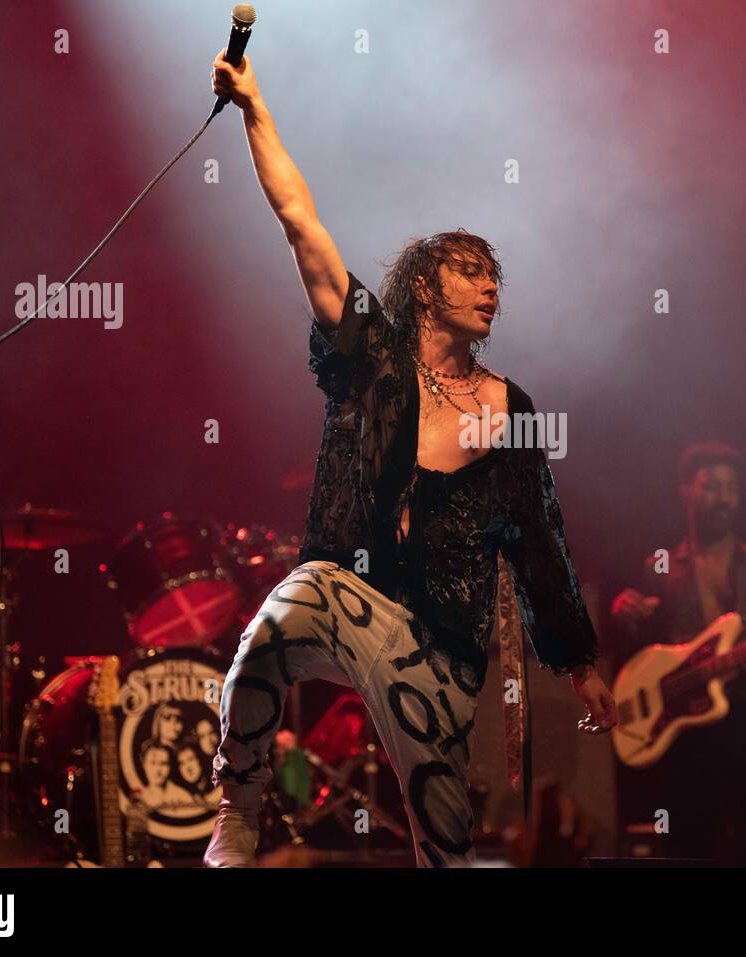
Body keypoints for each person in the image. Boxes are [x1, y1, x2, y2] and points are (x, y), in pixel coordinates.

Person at [204, 50, 616, 868]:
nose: (491, 287)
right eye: (472, 272)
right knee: (280, 617)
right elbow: (302, 226)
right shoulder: (374, 360)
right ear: (428, 286)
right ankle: (238, 803)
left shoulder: (511, 409)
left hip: (442, 653)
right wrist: (254, 109)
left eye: (496, 276)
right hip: (349, 592)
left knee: (447, 846)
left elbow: (540, 538)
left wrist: (577, 661)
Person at [609, 441, 746, 863]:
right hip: (689, 731)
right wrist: (626, 614)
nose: (724, 498)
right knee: (689, 845)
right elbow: (644, 653)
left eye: (732, 488)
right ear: (686, 491)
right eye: (712, 486)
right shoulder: (660, 566)